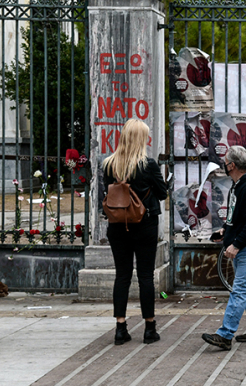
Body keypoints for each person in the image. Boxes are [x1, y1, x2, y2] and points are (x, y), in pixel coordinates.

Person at [103, 119, 168, 345]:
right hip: (145, 225)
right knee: (145, 276)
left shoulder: (109, 165)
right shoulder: (147, 165)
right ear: (140, 139)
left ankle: (121, 328)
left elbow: (107, 194)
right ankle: (149, 328)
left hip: (117, 226)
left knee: (122, 276)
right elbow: (162, 193)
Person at [202, 145, 246, 350]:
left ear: (231, 165)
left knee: (240, 290)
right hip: (244, 245)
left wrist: (237, 244)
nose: (224, 163)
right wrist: (225, 231)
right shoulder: (239, 185)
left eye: (226, 161)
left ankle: (225, 334)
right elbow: (237, 216)